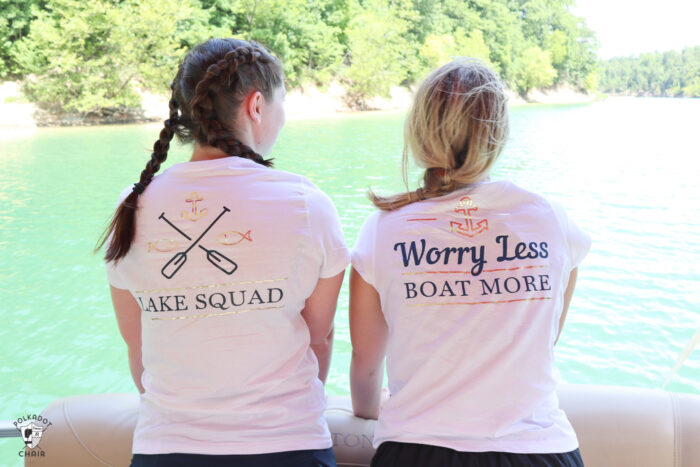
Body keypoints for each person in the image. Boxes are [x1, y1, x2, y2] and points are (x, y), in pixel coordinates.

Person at [96, 38, 349, 467]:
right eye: (280, 103)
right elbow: (319, 339)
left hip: (167, 449)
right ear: (256, 106)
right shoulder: (305, 203)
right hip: (288, 446)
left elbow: (137, 348)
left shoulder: (133, 205)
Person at [349, 59, 590, 467]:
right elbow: (543, 341)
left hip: (415, 452)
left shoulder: (382, 230)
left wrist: (370, 414)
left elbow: (366, 364)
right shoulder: (551, 220)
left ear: (419, 130)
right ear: (496, 135)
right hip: (539, 451)